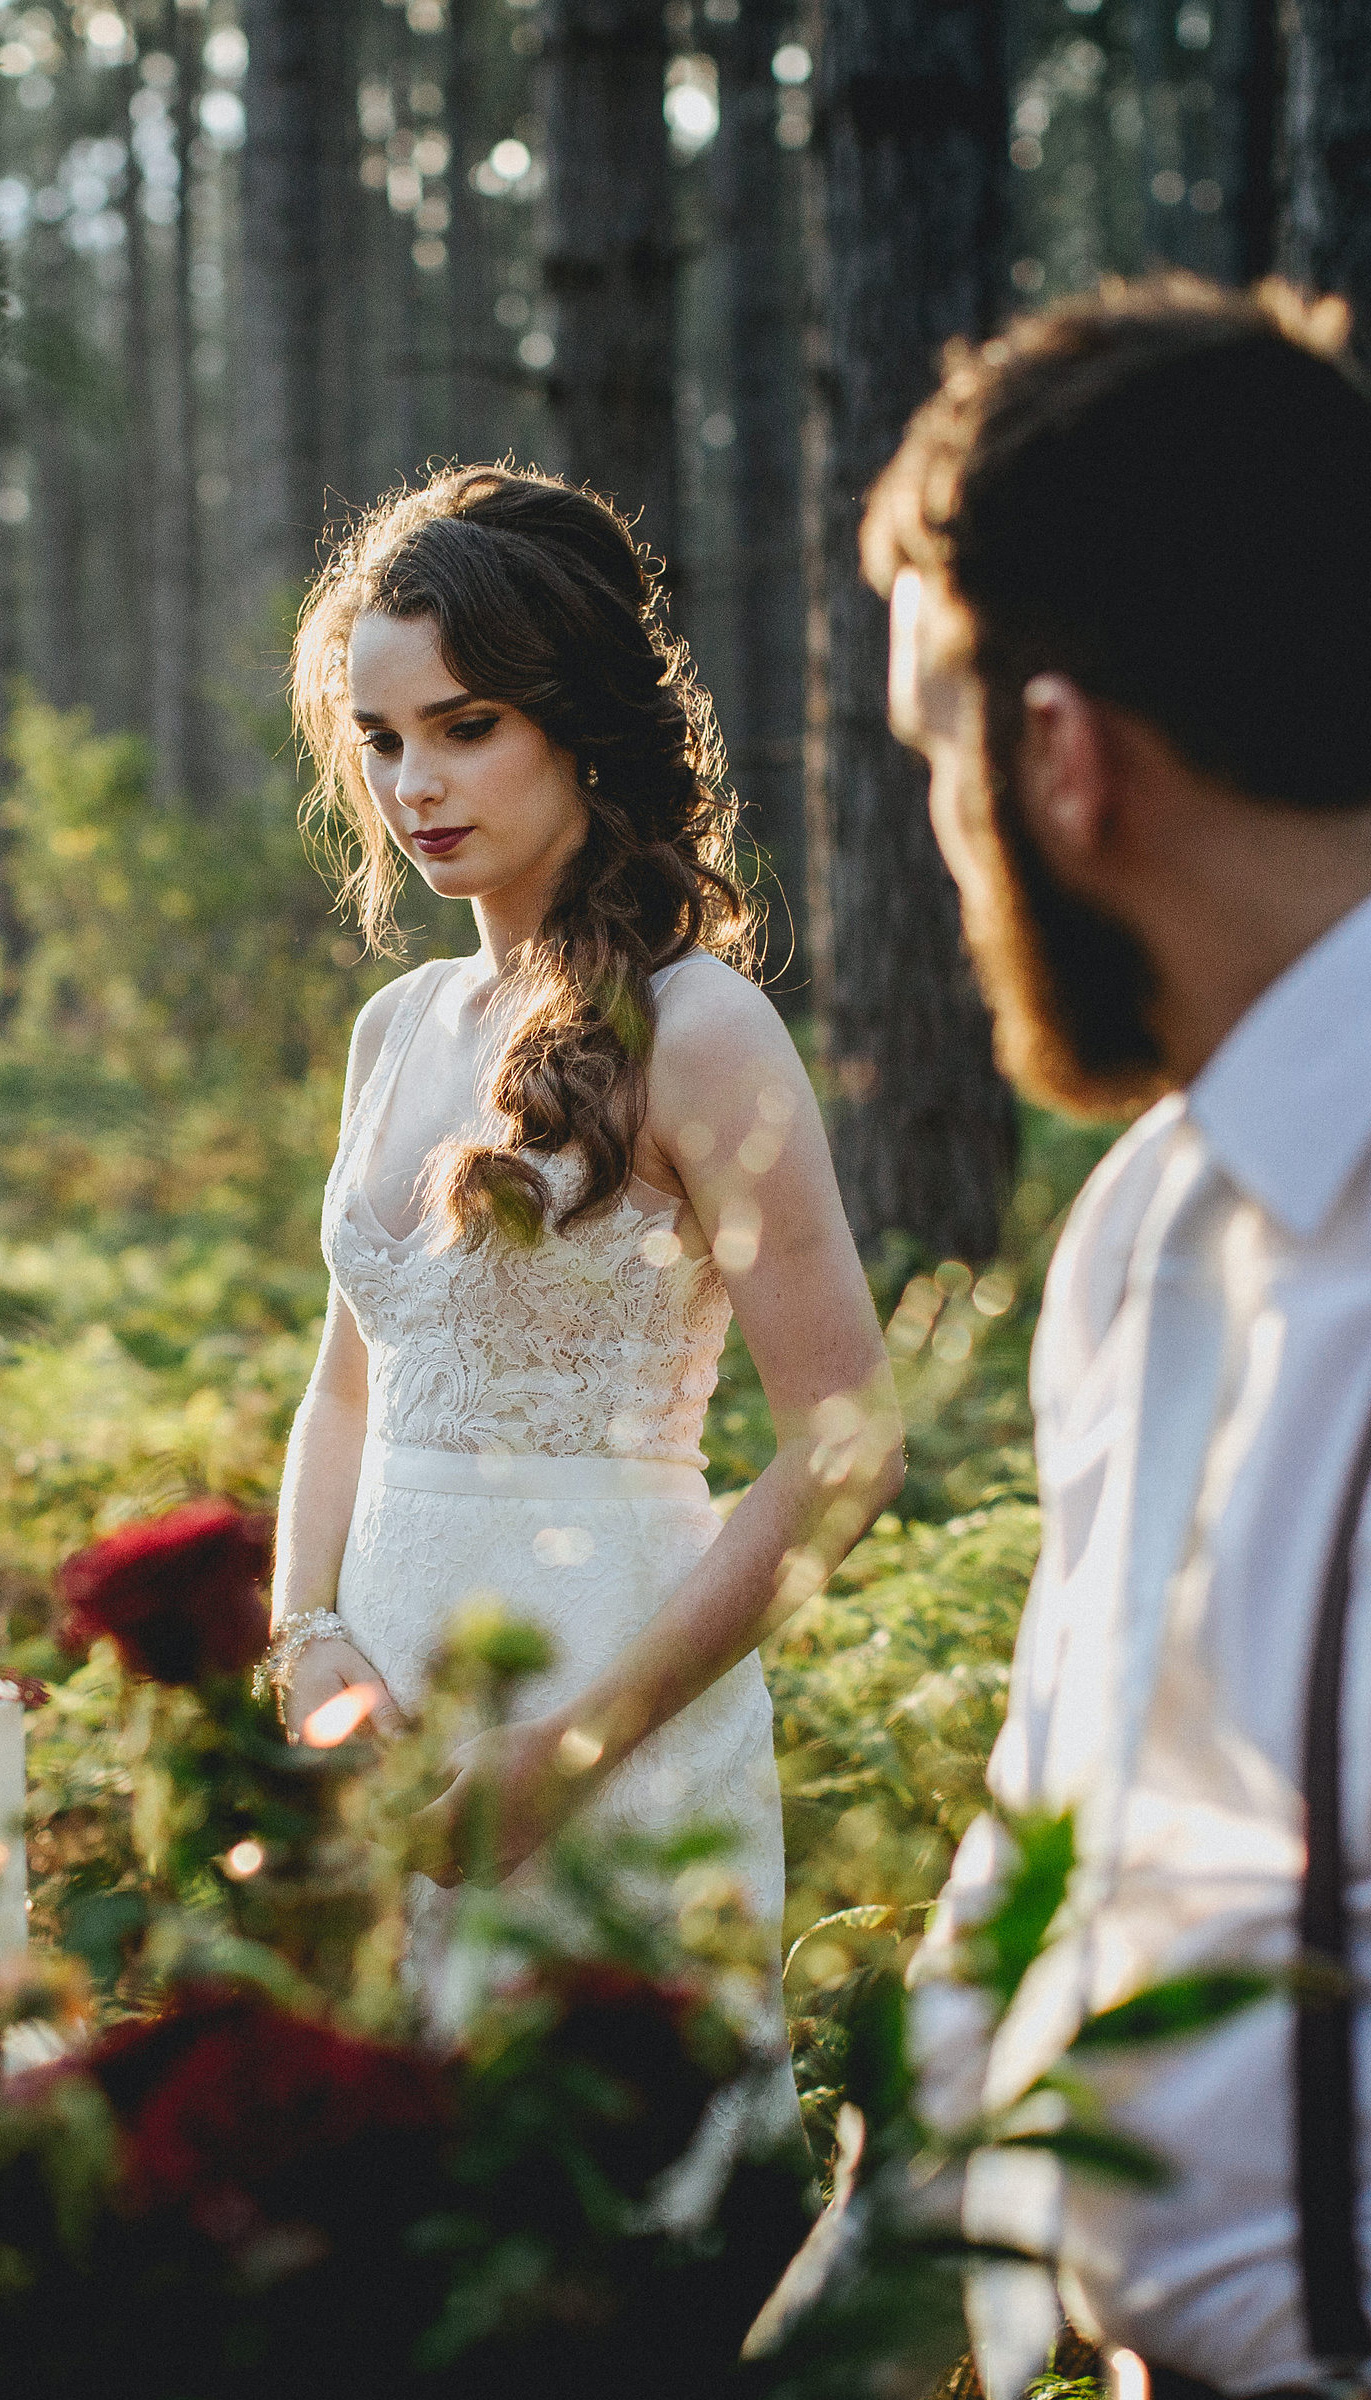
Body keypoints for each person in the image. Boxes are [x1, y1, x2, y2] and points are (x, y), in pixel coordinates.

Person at [870, 276, 1371, 2400]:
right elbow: (1044, 1860)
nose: (946, 846)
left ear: (1057, 762)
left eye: (934, 756)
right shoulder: (1144, 1235)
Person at [267, 464, 901, 1931]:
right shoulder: (398, 1027)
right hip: (394, 1718)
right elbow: (346, 1392)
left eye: (466, 728)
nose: (415, 784)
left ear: (580, 726)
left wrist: (577, 1748)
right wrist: (302, 1634)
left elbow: (848, 1441)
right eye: (380, 741)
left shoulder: (700, 1029)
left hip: (611, 1706)